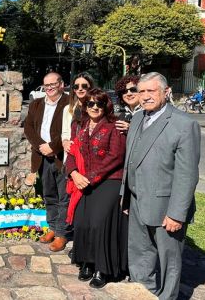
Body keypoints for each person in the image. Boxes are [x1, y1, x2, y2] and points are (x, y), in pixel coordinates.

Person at [121, 72, 200, 300]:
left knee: (169, 262)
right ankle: (144, 292)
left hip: (166, 207)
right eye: (141, 91)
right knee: (139, 255)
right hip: (136, 201)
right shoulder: (137, 118)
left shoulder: (184, 125)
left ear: (166, 92)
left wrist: (177, 214)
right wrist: (126, 196)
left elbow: (187, 175)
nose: (145, 96)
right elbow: (132, 160)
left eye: (151, 91)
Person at [65, 88, 127, 288]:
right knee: (82, 221)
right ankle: (87, 262)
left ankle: (102, 268)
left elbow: (116, 157)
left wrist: (89, 178)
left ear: (105, 106)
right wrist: (74, 173)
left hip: (109, 180)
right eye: (90, 103)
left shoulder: (113, 126)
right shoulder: (81, 126)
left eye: (99, 104)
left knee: (99, 222)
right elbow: (72, 152)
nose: (94, 107)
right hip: (82, 179)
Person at [24, 72, 71, 252]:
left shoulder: (69, 103)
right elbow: (28, 127)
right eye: (46, 85)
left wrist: (53, 147)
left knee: (64, 197)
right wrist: (41, 146)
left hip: (61, 157)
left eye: (53, 84)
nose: (49, 88)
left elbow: (70, 130)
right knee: (49, 195)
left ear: (61, 84)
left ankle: (61, 234)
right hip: (41, 157)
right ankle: (52, 228)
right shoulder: (36, 104)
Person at [61, 72, 94, 158]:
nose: (80, 89)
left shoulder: (97, 108)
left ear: (90, 88)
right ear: (74, 90)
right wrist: (65, 142)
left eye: (84, 86)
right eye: (76, 86)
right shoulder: (68, 109)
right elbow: (65, 132)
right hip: (72, 155)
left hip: (91, 156)